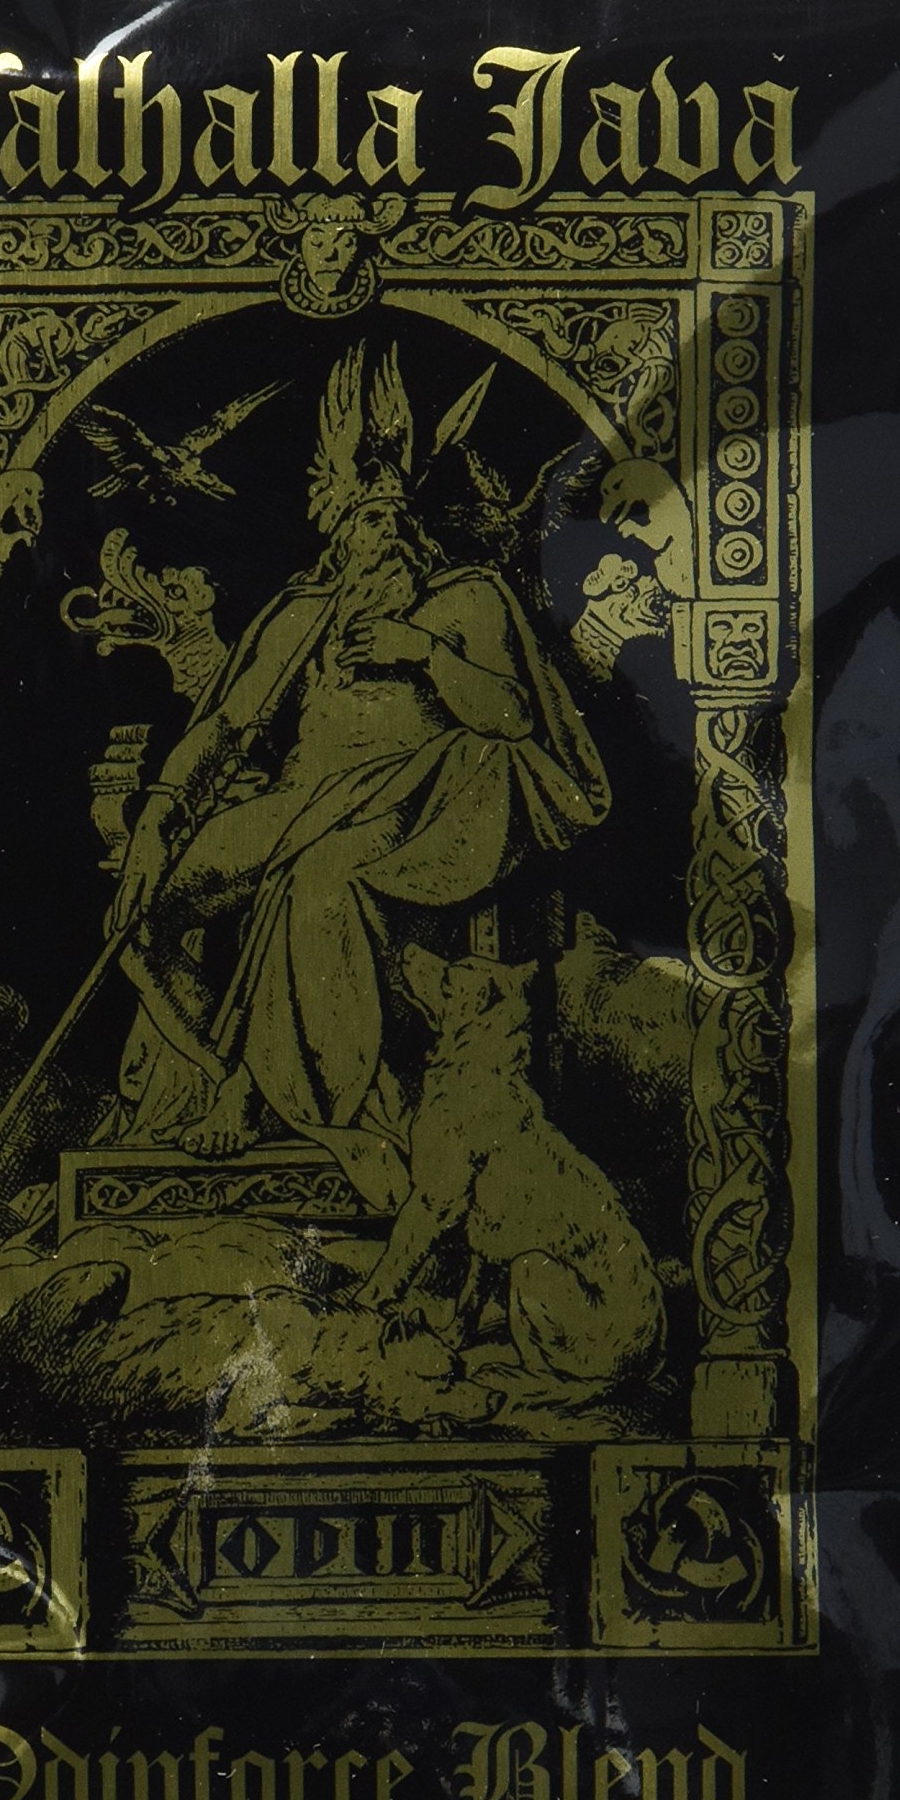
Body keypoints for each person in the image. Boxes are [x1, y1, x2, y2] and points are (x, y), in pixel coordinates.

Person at [101, 347, 611, 1200]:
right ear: (337, 537)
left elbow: (513, 716)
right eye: (370, 521)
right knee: (143, 915)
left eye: (399, 519)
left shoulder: (466, 598)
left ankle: (305, 1104)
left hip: (422, 800)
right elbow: (224, 727)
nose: (390, 533)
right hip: (301, 797)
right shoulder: (305, 615)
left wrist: (423, 654)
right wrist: (156, 820)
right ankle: (234, 1072)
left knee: (313, 881)